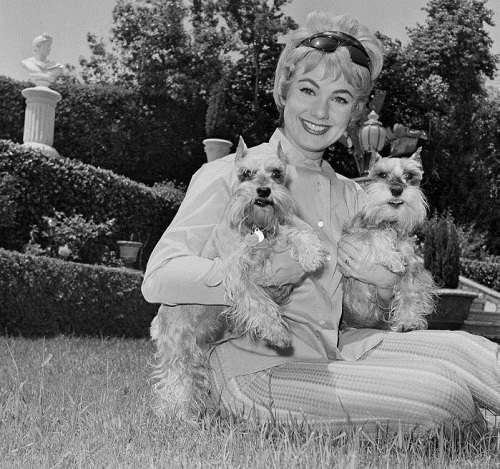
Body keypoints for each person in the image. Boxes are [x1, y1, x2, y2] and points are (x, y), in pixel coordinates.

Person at [142, 11, 500, 433]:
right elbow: (159, 277)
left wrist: (381, 286)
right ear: (283, 92)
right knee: (443, 396)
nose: (320, 111)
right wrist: (252, 272)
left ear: (354, 112)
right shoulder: (230, 175)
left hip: (340, 350)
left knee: (479, 355)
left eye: (341, 98)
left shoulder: (352, 194)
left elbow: (355, 316)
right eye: (308, 90)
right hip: (257, 365)